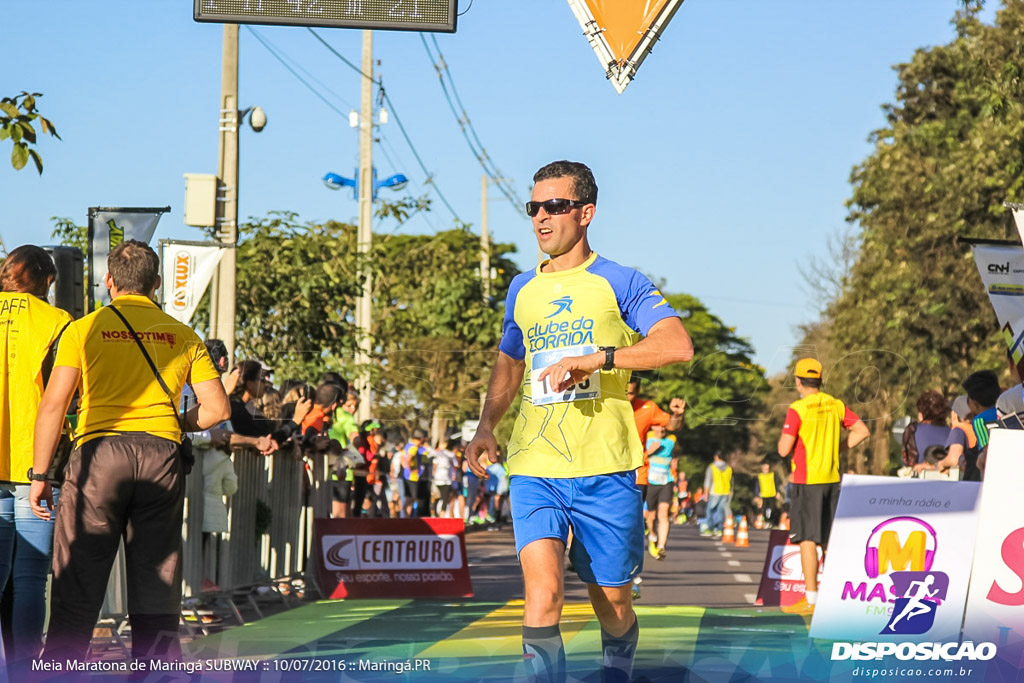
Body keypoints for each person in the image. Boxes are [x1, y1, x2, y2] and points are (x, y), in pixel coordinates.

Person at [465, 160, 693, 683]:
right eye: (534, 208)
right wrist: (485, 426)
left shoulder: (620, 281)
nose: (542, 218)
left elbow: (677, 346)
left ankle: (617, 669)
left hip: (605, 467)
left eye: (556, 206)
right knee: (542, 596)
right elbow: (509, 363)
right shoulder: (521, 289)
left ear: (586, 213)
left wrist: (601, 358)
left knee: (612, 604)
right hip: (534, 464)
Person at [29, 240, 232, 663]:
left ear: (108, 282)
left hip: (99, 456)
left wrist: (39, 475)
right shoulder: (184, 335)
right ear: (156, 284)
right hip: (161, 455)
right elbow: (216, 410)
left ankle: (60, 671)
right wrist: (175, 424)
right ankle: (155, 670)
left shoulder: (82, 329)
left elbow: (54, 405)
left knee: (79, 574)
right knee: (157, 577)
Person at [0, 246, 73, 671]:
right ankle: (26, 671)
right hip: (36, 467)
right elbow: (63, 396)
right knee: (30, 578)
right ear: (47, 279)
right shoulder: (57, 322)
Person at [777, 357, 869, 615]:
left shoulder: (798, 408)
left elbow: (784, 449)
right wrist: (837, 449)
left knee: (808, 539)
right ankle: (835, 596)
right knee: (829, 539)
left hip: (807, 481)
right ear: (820, 380)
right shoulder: (836, 404)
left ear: (797, 381)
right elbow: (862, 431)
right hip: (832, 479)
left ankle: (812, 600)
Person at [644, 424, 676, 559]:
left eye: (664, 428)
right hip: (650, 483)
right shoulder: (647, 437)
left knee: (663, 515)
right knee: (650, 516)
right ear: (652, 427)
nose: (661, 430)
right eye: (658, 427)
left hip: (666, 482)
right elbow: (639, 457)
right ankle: (652, 534)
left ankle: (661, 547)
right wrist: (650, 451)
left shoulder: (671, 439)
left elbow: (676, 426)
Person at [901, 390, 951, 467]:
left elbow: (907, 462)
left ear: (921, 414)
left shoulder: (912, 431)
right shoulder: (953, 432)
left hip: (921, 476)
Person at [703, 452, 732, 538]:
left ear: (716, 457)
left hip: (715, 491)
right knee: (720, 511)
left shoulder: (712, 467)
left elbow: (708, 481)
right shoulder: (728, 468)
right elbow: (730, 480)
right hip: (725, 491)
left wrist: (705, 493)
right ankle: (719, 529)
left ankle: (710, 528)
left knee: (709, 510)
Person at [754, 462, 781, 529]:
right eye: (765, 469)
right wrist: (756, 495)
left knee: (772, 508)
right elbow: (757, 486)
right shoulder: (760, 476)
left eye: (767, 468)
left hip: (772, 494)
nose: (766, 470)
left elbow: (776, 484)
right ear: (762, 469)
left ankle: (771, 522)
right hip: (763, 495)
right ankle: (766, 521)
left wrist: (777, 492)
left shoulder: (772, 475)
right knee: (764, 509)